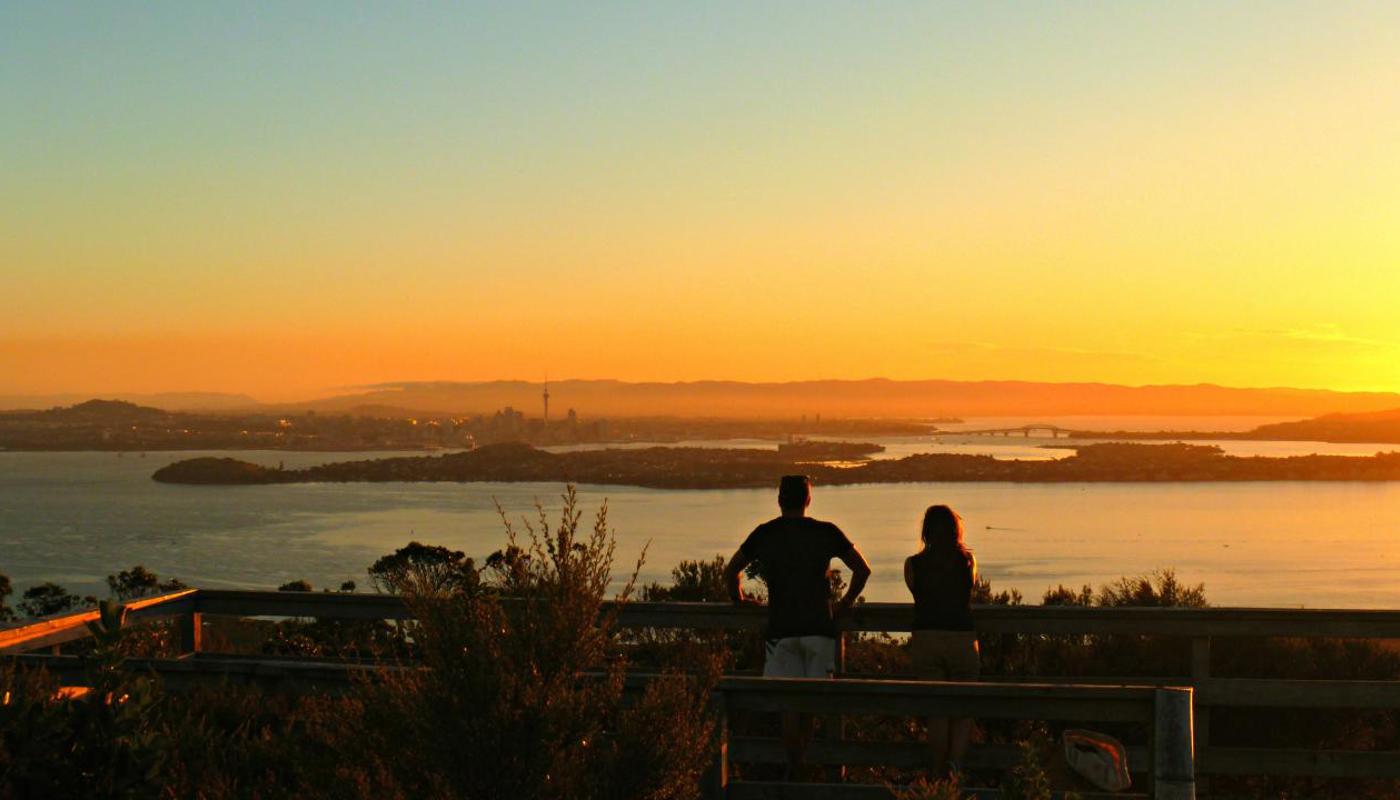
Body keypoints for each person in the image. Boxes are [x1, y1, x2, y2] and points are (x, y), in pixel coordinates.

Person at [724, 474, 871, 777]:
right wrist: (845, 603)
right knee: (810, 703)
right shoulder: (826, 532)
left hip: (781, 630)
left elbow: (731, 570)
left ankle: (795, 769)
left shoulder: (765, 534)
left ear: (779, 500)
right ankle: (806, 770)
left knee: (789, 706)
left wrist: (738, 599)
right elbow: (862, 569)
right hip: (819, 628)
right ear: (808, 500)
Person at [905, 504, 980, 777]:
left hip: (926, 637)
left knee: (936, 710)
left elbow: (916, 591)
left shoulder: (912, 564)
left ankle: (936, 772)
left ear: (926, 532)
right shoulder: (968, 560)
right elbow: (969, 588)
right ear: (955, 530)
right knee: (963, 708)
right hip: (961, 637)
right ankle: (955, 767)